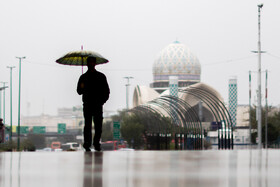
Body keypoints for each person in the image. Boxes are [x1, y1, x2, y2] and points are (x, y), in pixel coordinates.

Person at [77, 56, 110, 152]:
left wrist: (102, 101)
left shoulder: (101, 76)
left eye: (92, 62)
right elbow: (79, 91)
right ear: (87, 64)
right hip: (87, 105)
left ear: (95, 64)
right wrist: (81, 86)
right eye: (89, 62)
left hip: (97, 105)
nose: (91, 64)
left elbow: (107, 91)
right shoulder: (83, 78)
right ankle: (87, 144)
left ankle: (96, 143)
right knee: (87, 125)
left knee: (98, 126)